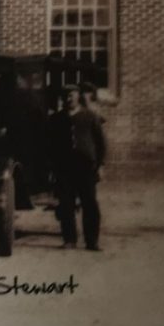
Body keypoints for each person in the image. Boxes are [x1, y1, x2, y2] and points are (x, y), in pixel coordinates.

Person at [49, 84, 106, 251]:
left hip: (86, 167)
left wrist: (100, 165)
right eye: (66, 95)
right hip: (64, 167)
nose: (69, 98)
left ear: (78, 97)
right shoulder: (56, 119)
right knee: (66, 204)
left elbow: (101, 143)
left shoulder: (90, 117)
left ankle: (91, 241)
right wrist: (52, 168)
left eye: (72, 95)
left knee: (90, 203)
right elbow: (50, 145)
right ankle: (69, 240)